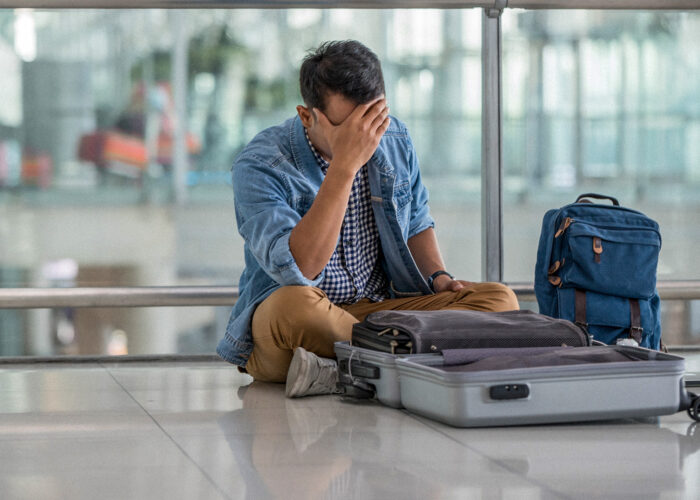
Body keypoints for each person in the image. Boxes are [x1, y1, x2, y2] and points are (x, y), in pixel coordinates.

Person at [216, 40, 519, 397]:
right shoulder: (260, 164)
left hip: (380, 314)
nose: (367, 136)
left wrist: (438, 277)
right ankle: (410, 365)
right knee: (294, 307)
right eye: (350, 127)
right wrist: (344, 166)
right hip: (306, 319)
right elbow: (302, 267)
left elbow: (417, 219)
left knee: (499, 301)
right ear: (306, 116)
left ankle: (345, 369)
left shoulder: (394, 137)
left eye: (375, 119)